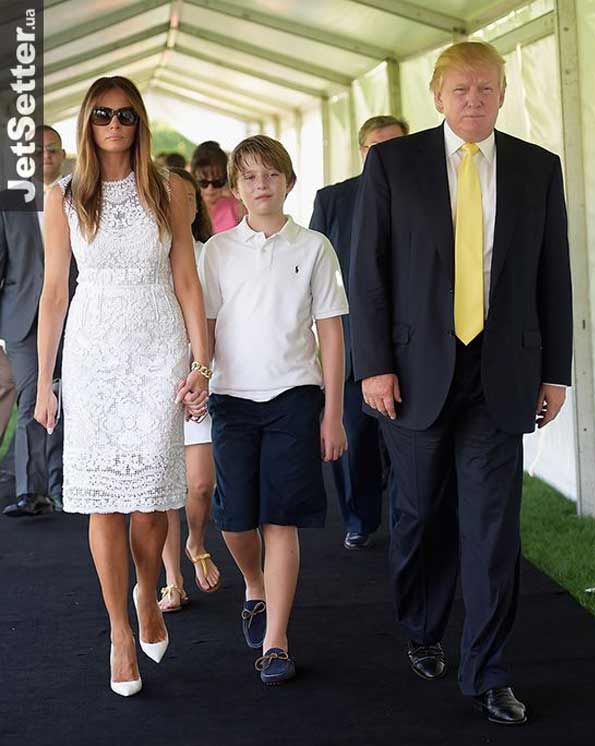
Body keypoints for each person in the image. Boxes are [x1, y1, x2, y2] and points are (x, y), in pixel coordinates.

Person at [349, 41, 572, 725]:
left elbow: (552, 274)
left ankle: (488, 671)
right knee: (418, 515)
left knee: (492, 529)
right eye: (461, 90)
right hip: (414, 376)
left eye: (486, 89)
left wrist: (556, 372)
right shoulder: (393, 163)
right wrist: (375, 365)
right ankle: (422, 627)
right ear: (437, 95)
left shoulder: (538, 168)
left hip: (502, 376)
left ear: (503, 93)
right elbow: (369, 273)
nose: (474, 101)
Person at [34, 76, 211, 697]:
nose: (114, 123)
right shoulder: (62, 196)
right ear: (89, 121)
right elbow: (54, 292)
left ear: (140, 122)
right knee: (102, 502)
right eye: (103, 114)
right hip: (92, 355)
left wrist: (202, 362)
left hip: (159, 350)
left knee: (151, 502)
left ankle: (147, 589)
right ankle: (118, 631)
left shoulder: (172, 190)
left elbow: (188, 281)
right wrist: (44, 381)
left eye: (126, 114)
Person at [201, 135, 348, 685]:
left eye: (271, 175)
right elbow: (208, 330)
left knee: (278, 517)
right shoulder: (216, 252)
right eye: (250, 178)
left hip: (294, 397)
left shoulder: (314, 247)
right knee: (235, 519)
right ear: (236, 190)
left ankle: (276, 641)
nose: (261, 186)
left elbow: (331, 335)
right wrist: (198, 376)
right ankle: (254, 586)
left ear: (288, 180)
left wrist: (332, 414)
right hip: (233, 400)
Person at [310, 115, 408, 550]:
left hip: (411, 345)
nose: (386, 156)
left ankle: (409, 521)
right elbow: (311, 273)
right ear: (361, 151)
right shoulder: (333, 200)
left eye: (396, 147)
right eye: (377, 147)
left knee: (407, 444)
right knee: (356, 441)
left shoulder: (429, 193)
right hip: (349, 345)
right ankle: (358, 518)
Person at [1, 125, 72, 518]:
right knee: (32, 400)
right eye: (37, 150)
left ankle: (63, 484)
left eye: (52, 149)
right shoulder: (9, 202)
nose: (45, 155)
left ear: (61, 155)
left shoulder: (80, 197)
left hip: (75, 314)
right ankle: (32, 491)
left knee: (70, 400)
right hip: (24, 319)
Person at [158, 167, 221, 612]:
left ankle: (195, 541)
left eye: (186, 198)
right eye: (168, 198)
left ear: (196, 205)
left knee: (200, 483)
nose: (179, 205)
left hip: (201, 377)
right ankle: (171, 580)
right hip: (156, 378)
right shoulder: (146, 255)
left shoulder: (210, 254)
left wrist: (206, 370)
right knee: (161, 489)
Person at [191, 141, 244, 233]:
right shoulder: (186, 209)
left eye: (217, 182)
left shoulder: (238, 209)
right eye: (203, 182)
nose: (210, 188)